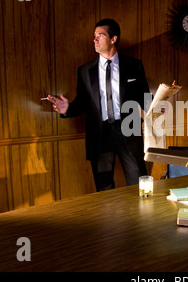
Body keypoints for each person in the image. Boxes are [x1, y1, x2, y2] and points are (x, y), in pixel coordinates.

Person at [47, 19, 149, 192]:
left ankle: (145, 219)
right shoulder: (85, 71)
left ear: (113, 39)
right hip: (100, 135)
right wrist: (67, 109)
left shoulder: (134, 65)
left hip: (129, 131)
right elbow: (82, 103)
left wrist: (159, 105)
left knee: (141, 185)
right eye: (94, 36)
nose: (94, 40)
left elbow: (145, 97)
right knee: (104, 190)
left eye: (100, 36)